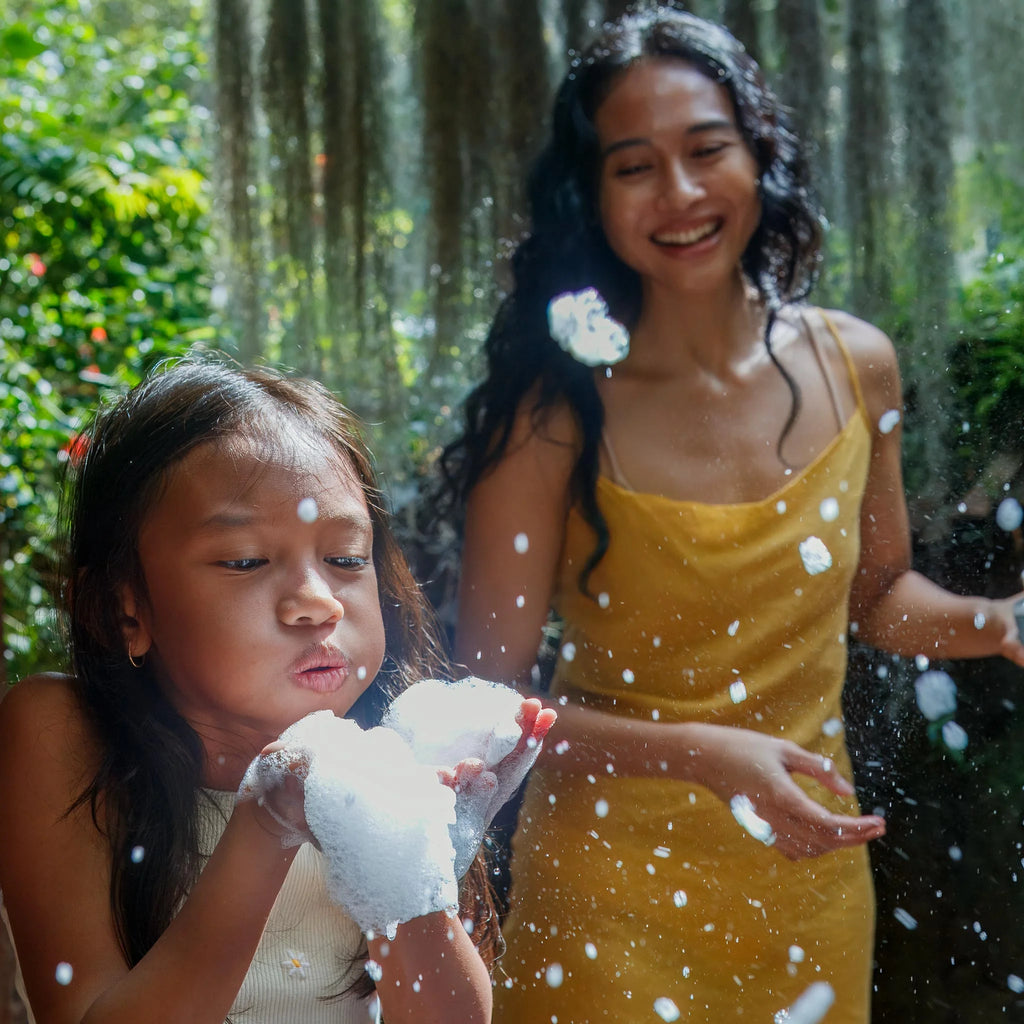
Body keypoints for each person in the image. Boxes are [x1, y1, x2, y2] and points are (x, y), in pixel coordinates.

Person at [440, 8, 1024, 1022]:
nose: (679, 192)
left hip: (809, 881)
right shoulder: (552, 417)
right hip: (611, 900)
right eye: (634, 166)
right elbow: (484, 709)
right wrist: (704, 755)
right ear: (591, 195)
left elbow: (879, 594)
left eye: (707, 150)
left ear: (761, 155)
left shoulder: (856, 364)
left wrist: (1000, 621)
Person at [0, 358, 555, 1024]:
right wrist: (266, 822)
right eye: (245, 561)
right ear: (127, 611)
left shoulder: (396, 761)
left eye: (345, 559)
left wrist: (418, 865)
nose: (318, 601)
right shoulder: (62, 734)